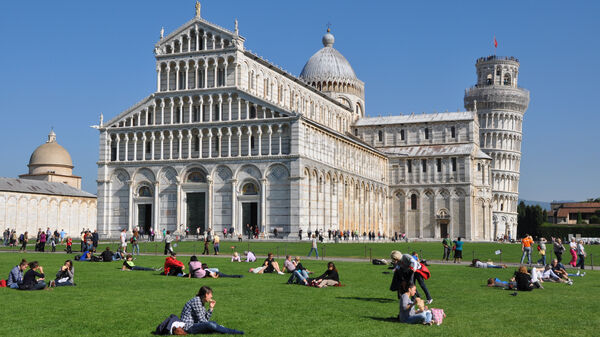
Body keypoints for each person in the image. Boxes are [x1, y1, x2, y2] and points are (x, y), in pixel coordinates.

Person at [179, 286, 244, 335]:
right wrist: (212, 325)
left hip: (195, 324)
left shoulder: (201, 301)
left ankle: (219, 329)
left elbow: (205, 319)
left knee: (212, 324)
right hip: (188, 327)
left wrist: (211, 308)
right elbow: (202, 321)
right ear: (206, 294)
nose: (211, 296)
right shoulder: (196, 301)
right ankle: (234, 332)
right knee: (211, 325)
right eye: (210, 294)